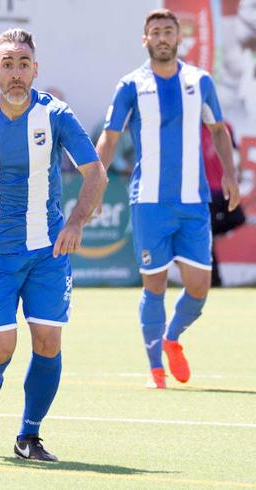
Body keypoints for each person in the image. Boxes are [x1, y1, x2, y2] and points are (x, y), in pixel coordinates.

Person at [0, 28, 107, 461]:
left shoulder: (56, 115)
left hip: (47, 249)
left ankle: (29, 436)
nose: (15, 73)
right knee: (0, 348)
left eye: (23, 64)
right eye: (6, 64)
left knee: (48, 341)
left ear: (35, 70)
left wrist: (76, 222)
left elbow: (95, 172)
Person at [96, 9, 240, 389]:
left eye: (168, 31)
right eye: (155, 32)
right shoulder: (131, 85)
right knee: (154, 286)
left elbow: (219, 131)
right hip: (150, 203)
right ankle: (155, 369)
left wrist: (229, 173)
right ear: (145, 40)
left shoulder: (200, 80)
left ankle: (172, 338)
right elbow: (110, 138)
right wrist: (94, 184)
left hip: (193, 204)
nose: (162, 37)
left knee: (199, 287)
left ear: (179, 38)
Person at [202, 122, 245, 286]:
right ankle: (215, 280)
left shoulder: (225, 126)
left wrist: (237, 172)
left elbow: (235, 151)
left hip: (223, 186)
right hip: (206, 191)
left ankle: (211, 231)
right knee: (207, 238)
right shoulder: (192, 126)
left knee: (238, 218)